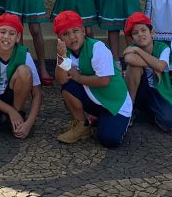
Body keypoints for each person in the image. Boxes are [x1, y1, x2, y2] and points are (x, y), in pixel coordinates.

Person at [53, 10, 132, 148]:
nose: (72, 37)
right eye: (66, 34)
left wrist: (78, 77)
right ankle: (82, 126)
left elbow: (104, 81)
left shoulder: (97, 48)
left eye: (75, 31)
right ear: (60, 39)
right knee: (68, 88)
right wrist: (61, 56)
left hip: (115, 103)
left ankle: (112, 119)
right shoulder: (67, 53)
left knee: (109, 140)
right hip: (95, 98)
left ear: (83, 31)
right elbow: (62, 80)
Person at [0, 13, 42, 138]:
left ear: (18, 37)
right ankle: (7, 114)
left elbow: (36, 93)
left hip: (13, 97)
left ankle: (17, 113)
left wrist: (29, 123)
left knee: (24, 71)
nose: (6, 37)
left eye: (12, 33)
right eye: (2, 32)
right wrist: (9, 111)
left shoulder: (24, 55)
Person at [121, 12, 172, 132]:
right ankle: (129, 108)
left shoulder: (163, 47)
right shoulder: (132, 49)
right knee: (134, 67)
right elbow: (128, 58)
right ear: (132, 38)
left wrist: (138, 51)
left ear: (152, 33)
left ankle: (148, 111)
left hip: (159, 92)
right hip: (139, 90)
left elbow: (161, 67)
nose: (140, 35)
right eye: (135, 33)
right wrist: (154, 65)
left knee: (167, 123)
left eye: (143, 30)